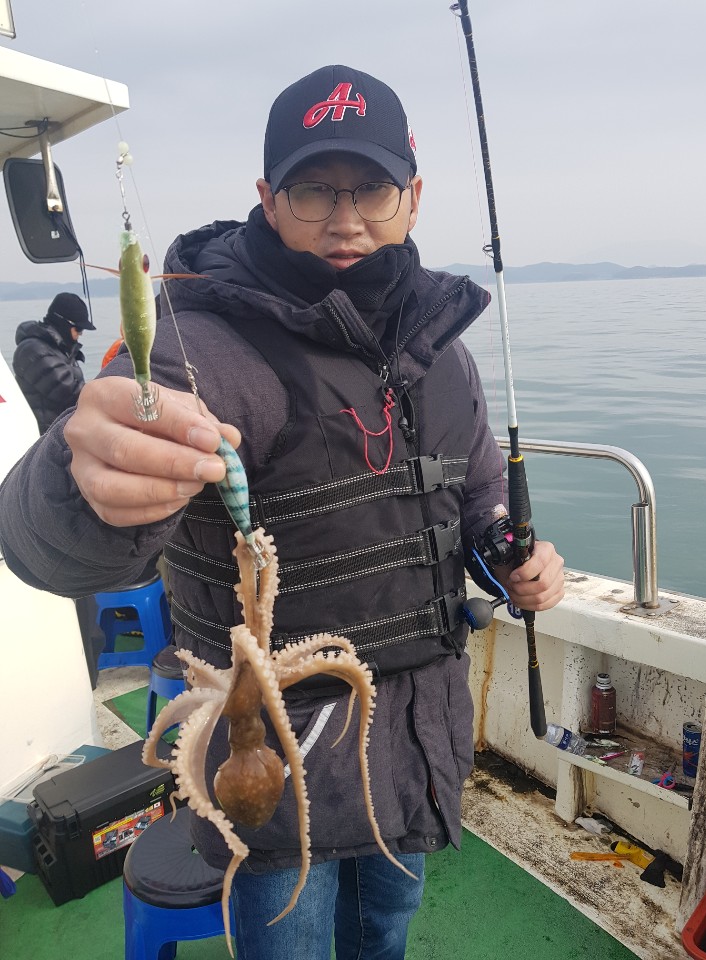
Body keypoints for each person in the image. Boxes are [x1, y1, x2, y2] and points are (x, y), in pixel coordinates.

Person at [0, 65, 565, 959]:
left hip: (416, 738)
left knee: (386, 930)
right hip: (269, 756)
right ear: (267, 200)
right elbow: (63, 546)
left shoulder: (441, 351)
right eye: (313, 190)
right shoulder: (204, 346)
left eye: (371, 188)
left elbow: (478, 493)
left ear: (413, 198)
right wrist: (76, 478)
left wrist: (510, 554)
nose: (346, 219)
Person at [12, 291, 96, 434]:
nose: (81, 333)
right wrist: (106, 394)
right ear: (63, 323)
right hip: (46, 436)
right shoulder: (34, 350)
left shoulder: (60, 349)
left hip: (61, 430)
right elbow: (69, 393)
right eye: (78, 328)